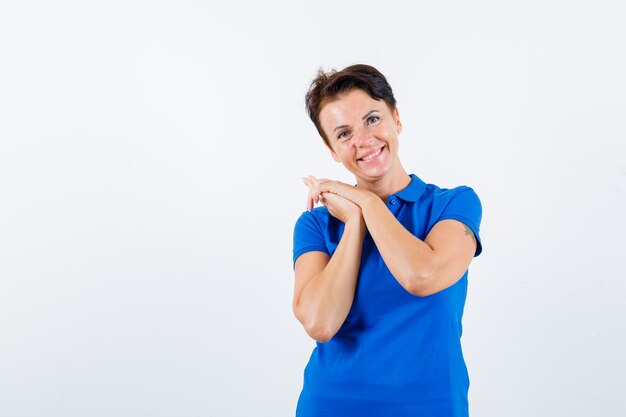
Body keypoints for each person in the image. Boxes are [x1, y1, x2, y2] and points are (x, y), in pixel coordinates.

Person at [292, 64, 483, 417]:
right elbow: (320, 323)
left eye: (373, 119)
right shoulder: (316, 226)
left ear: (396, 119)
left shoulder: (452, 205)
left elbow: (421, 276)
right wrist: (354, 223)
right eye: (344, 133)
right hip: (332, 406)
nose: (363, 140)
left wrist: (363, 201)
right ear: (332, 149)